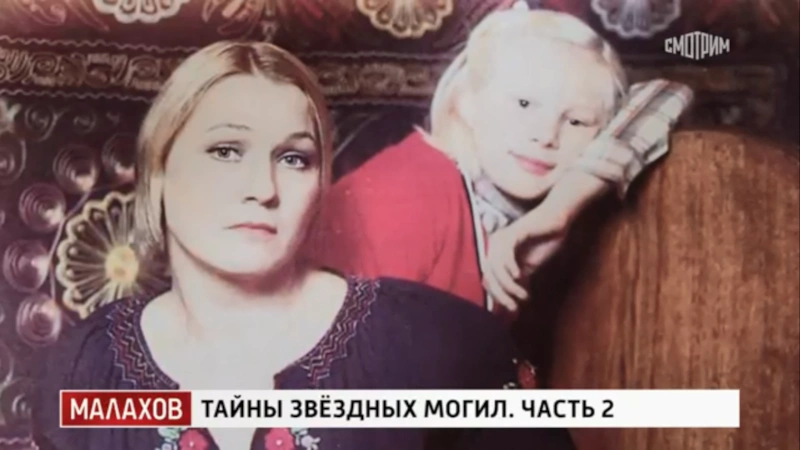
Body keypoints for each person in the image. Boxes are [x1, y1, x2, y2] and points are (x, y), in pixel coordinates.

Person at [31, 41, 575, 450]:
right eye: (225, 150)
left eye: (293, 158)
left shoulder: (439, 343)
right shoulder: (86, 366)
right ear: (159, 172)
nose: (262, 188)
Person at [308, 4, 693, 314]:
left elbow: (668, 94)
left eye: (576, 120)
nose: (546, 135)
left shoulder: (498, 204)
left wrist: (558, 210)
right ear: (467, 102)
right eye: (524, 103)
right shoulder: (410, 192)